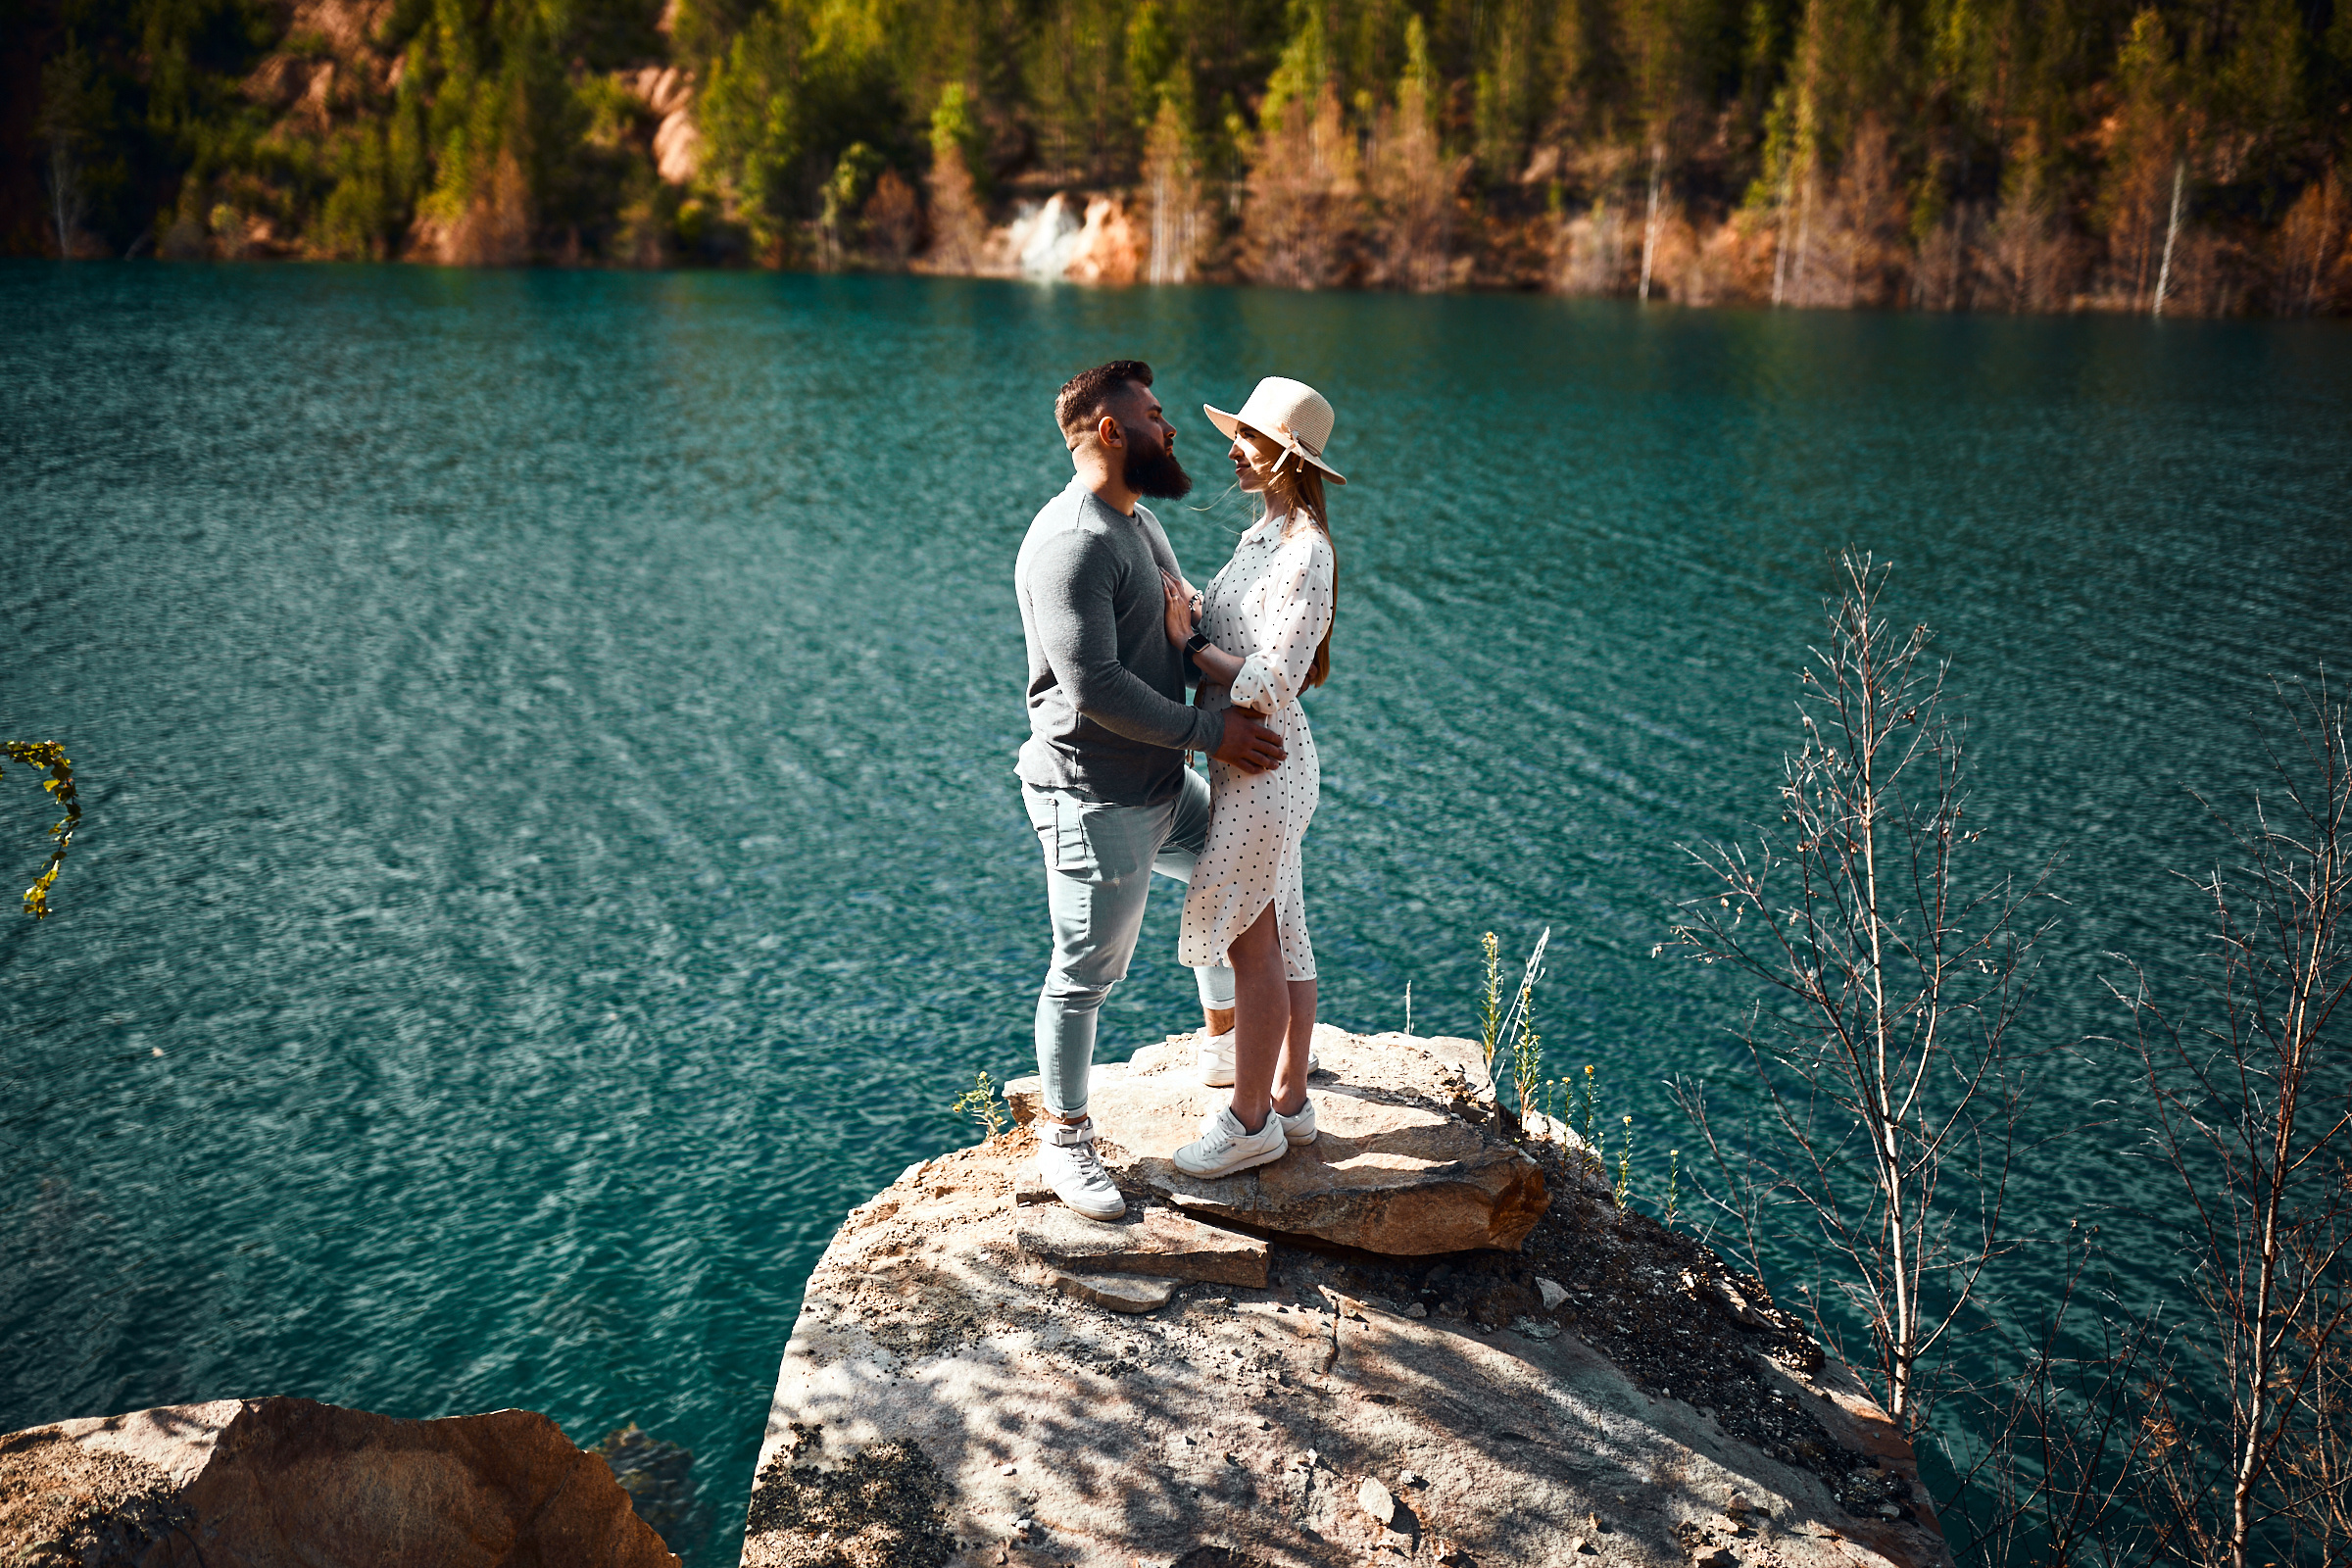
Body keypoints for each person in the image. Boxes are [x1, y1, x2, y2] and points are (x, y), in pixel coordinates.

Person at [1014, 360, 1290, 1218]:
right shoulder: (1073, 542)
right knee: (1085, 976)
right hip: (1096, 802)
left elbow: (1179, 621)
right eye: (1158, 415)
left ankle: (1220, 1047)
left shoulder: (1134, 524)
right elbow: (1094, 687)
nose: (1171, 430)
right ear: (1110, 431)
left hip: (1160, 785)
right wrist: (1216, 732)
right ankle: (1064, 1140)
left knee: (1235, 882)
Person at [1158, 376, 1345, 1179]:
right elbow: (1251, 635)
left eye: (1247, 440)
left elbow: (1272, 679)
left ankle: (1250, 1121)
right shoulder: (1263, 533)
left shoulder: (1306, 550)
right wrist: (1200, 614)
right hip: (1251, 764)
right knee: (1286, 937)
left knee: (1250, 945)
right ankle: (1293, 1103)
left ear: (1283, 457)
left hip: (1264, 762)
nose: (1232, 448)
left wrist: (1190, 646)